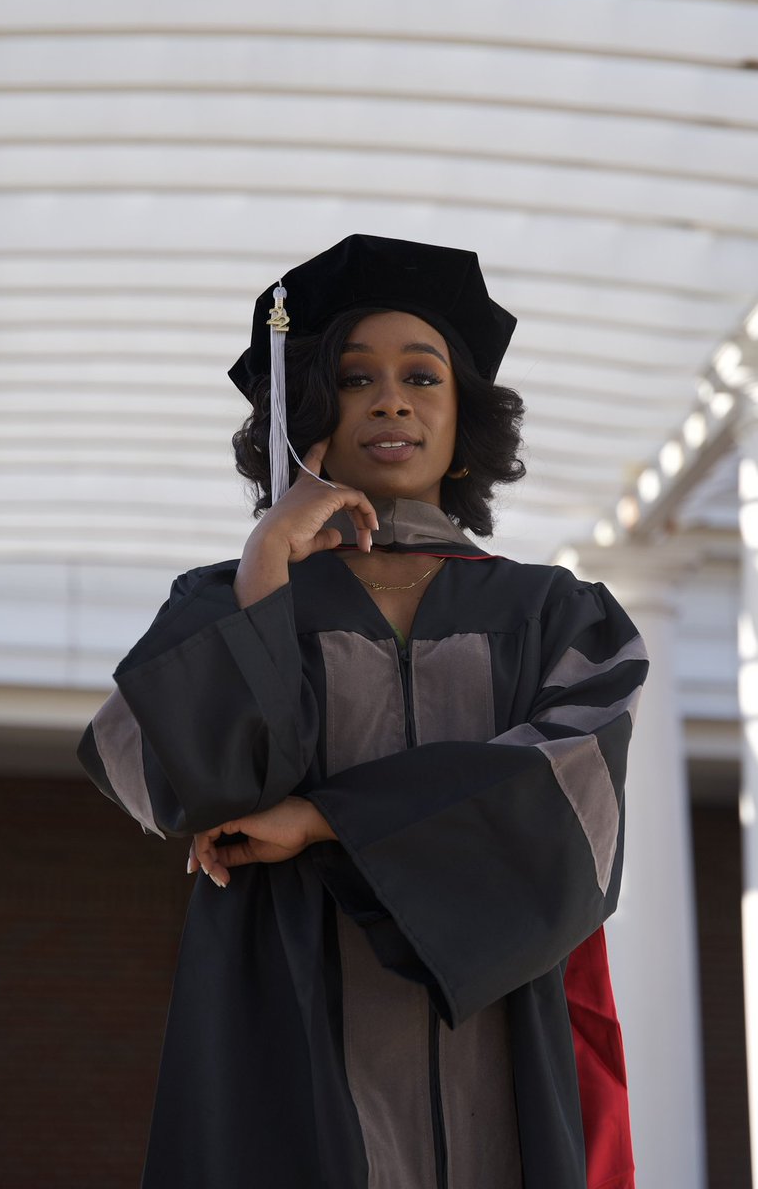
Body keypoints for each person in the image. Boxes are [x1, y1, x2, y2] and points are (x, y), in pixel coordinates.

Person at [78, 235, 648, 1189]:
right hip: (288, 1010)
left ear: (463, 415)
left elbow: (573, 799)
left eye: (423, 376)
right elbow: (181, 784)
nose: (391, 399)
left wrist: (323, 817)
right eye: (354, 378)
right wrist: (267, 564)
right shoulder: (222, 601)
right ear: (307, 414)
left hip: (498, 1028)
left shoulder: (554, 613)